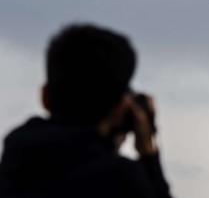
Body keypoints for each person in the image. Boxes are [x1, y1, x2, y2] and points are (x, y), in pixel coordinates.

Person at [0, 24, 173, 198]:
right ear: (119, 111)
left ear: (45, 96)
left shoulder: (11, 167)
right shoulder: (121, 179)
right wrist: (148, 154)